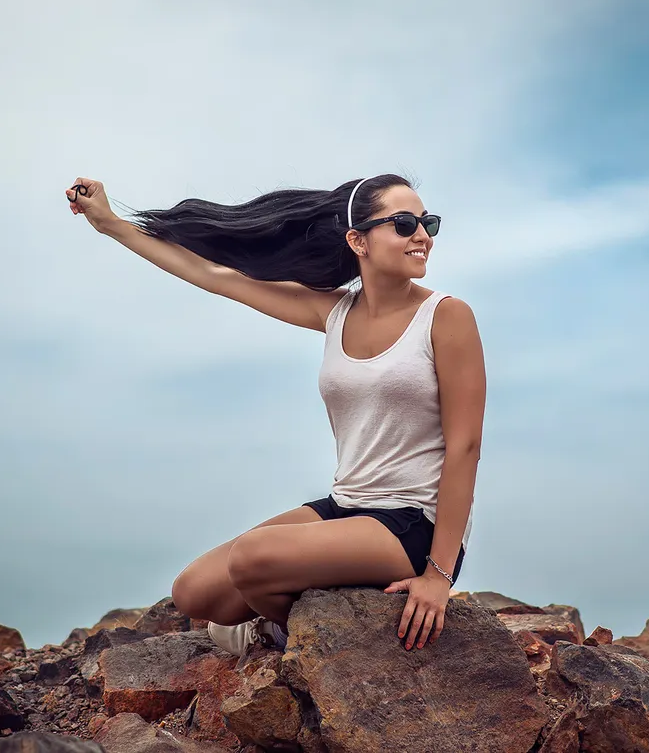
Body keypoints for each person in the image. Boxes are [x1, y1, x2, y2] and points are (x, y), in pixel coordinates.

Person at [65, 174, 484, 656]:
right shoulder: (335, 313)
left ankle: (307, 636)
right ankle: (314, 609)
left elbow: (466, 446)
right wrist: (112, 225)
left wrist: (438, 577)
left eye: (427, 222)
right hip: (346, 506)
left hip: (413, 524)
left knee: (251, 559)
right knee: (194, 591)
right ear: (358, 240)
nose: (423, 235)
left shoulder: (447, 316)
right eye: (405, 223)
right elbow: (217, 277)